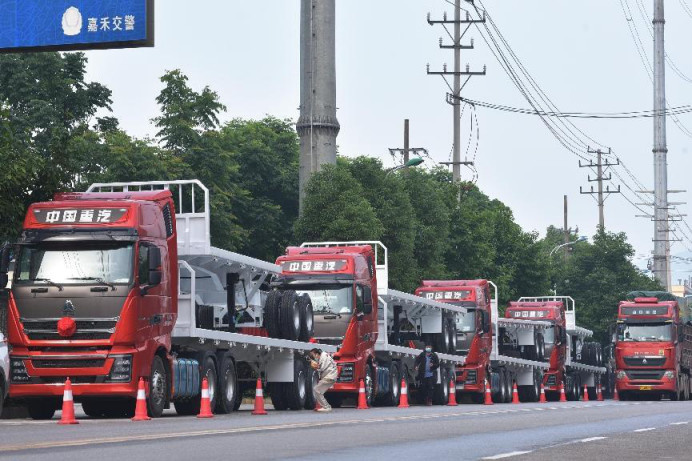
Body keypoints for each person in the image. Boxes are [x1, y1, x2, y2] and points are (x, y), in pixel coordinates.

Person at [309, 348, 339, 412]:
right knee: (318, 390)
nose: (312, 357)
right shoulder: (324, 355)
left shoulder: (323, 357)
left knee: (317, 390)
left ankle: (326, 407)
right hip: (331, 376)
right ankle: (326, 406)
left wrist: (315, 367)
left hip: (330, 376)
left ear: (317, 354)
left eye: (313, 355)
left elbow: (321, 368)